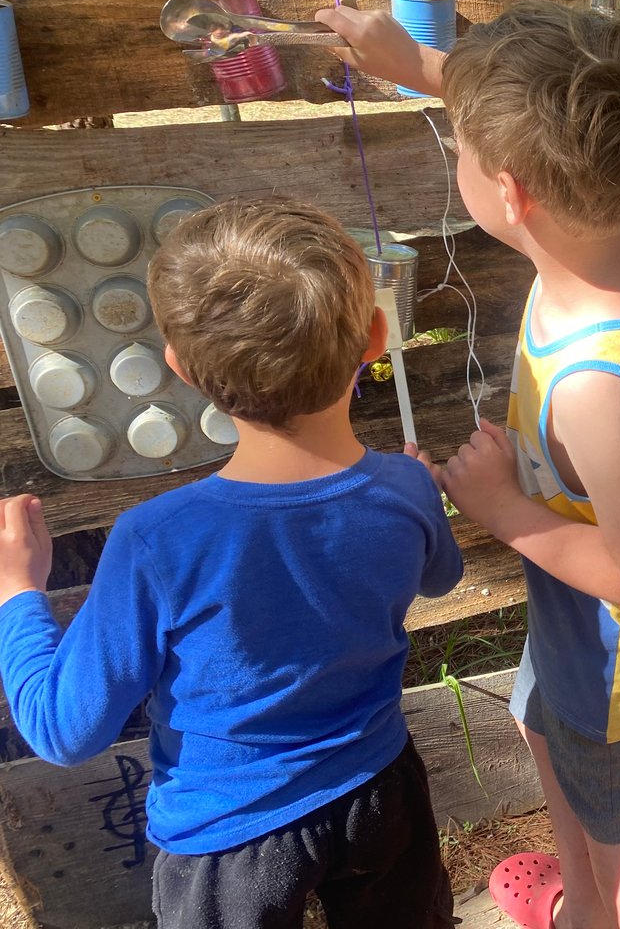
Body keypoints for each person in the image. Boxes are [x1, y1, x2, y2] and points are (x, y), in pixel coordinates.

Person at [315, 0, 620, 929]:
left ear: (512, 193)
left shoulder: (591, 394)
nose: (455, 150)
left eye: (460, 143)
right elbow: (528, 120)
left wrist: (503, 511)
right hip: (580, 620)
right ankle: (582, 908)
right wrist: (414, 61)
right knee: (544, 727)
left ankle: (614, 899)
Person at [0, 196, 464, 928]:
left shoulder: (157, 539)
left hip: (230, 836)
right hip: (381, 792)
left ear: (180, 367)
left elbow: (64, 730)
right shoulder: (403, 487)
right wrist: (418, 492)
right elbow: (442, 576)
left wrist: (18, 594)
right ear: (376, 333)